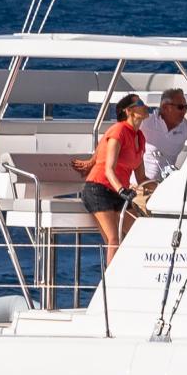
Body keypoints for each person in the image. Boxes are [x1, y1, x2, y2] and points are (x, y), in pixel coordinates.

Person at [71, 94, 148, 263]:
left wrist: (164, 190)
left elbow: (141, 177)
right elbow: (109, 169)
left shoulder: (140, 137)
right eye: (140, 103)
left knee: (138, 232)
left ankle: (129, 272)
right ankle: (111, 278)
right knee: (113, 239)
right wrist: (122, 190)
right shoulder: (118, 130)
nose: (146, 106)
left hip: (118, 193)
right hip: (98, 189)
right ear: (129, 111)